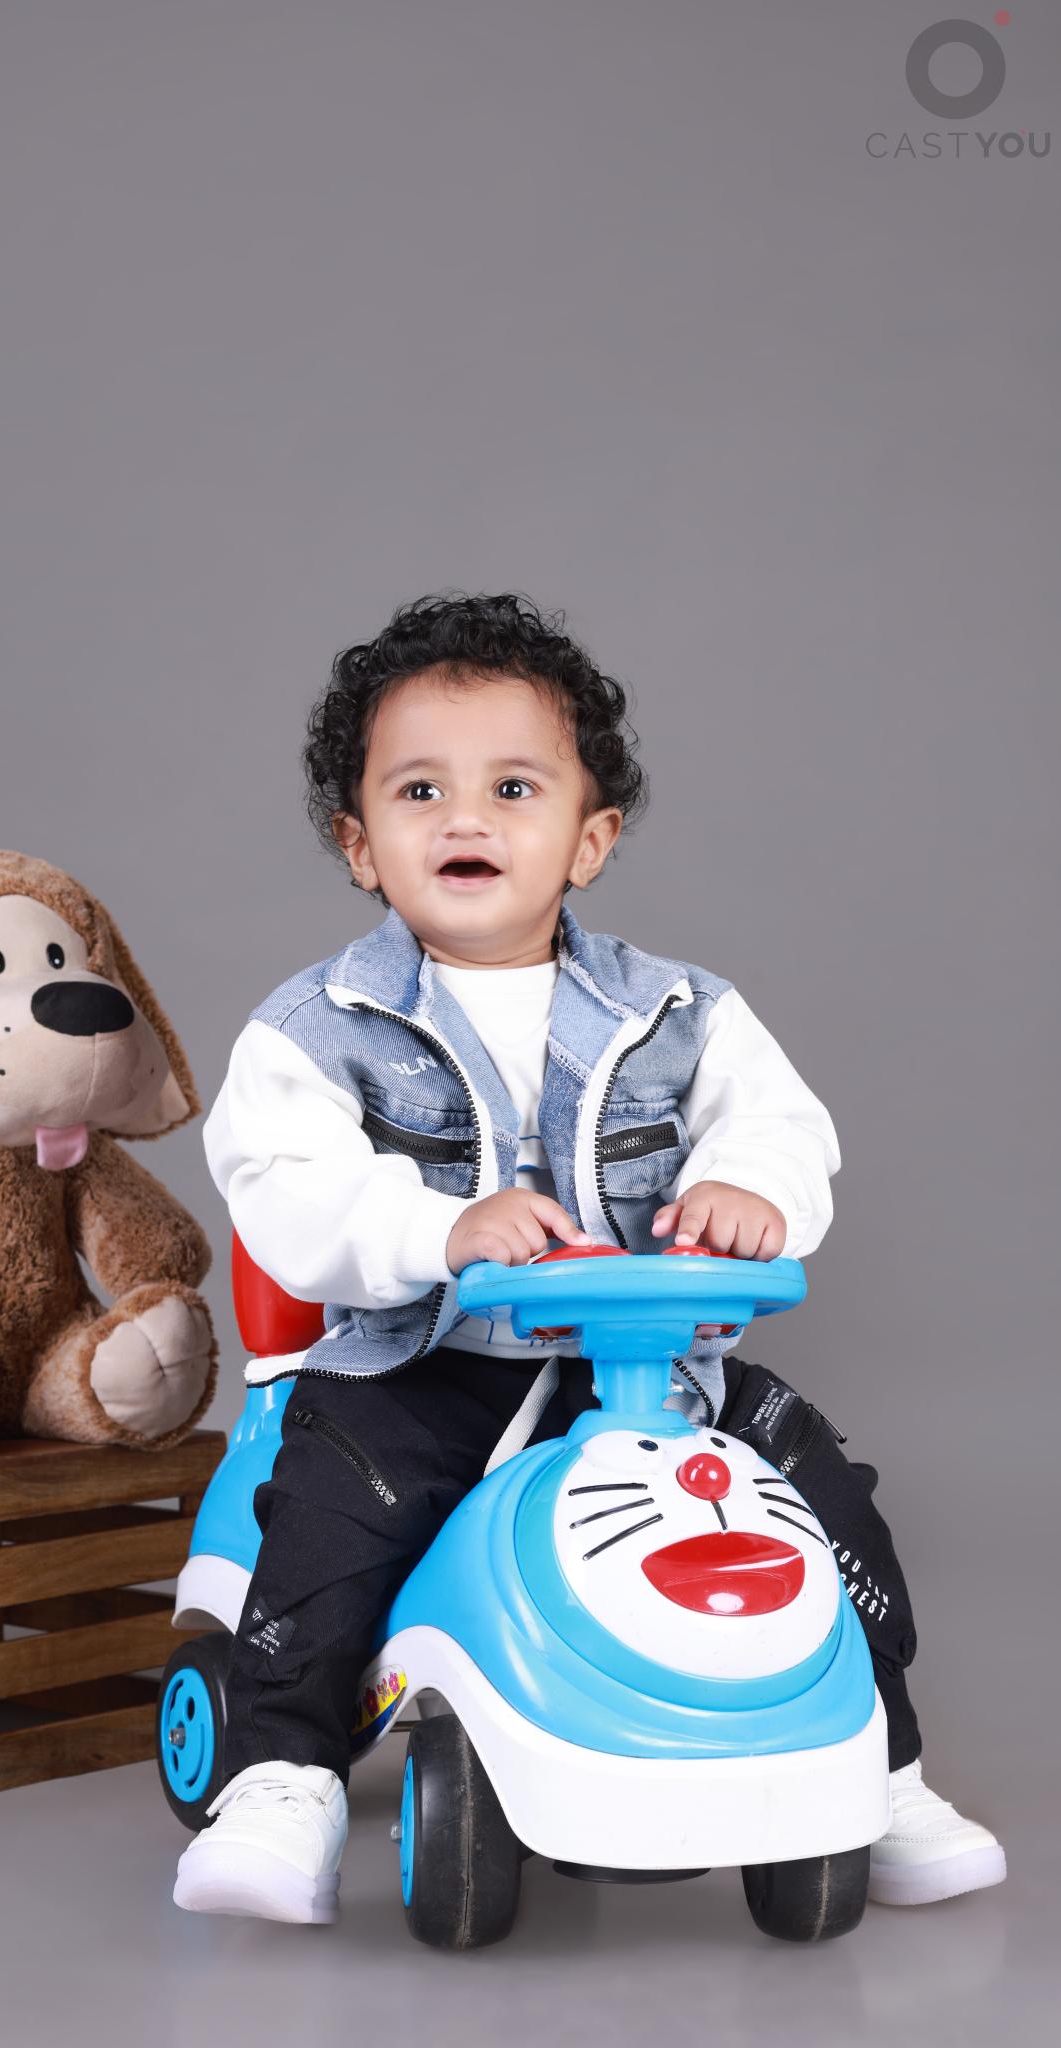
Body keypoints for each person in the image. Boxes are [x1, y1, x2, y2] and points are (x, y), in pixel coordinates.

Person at [173, 592, 1004, 1925]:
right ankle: (284, 1777)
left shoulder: (679, 1010)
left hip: (659, 1374)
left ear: (589, 838)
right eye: (419, 791)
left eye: (513, 788)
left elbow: (782, 1124)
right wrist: (440, 1229)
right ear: (359, 845)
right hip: (430, 1365)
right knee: (334, 1508)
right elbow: (285, 1184)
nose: (465, 819)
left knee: (818, 1495)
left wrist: (750, 1187)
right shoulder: (316, 1028)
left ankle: (883, 1765)